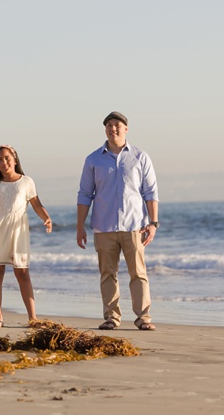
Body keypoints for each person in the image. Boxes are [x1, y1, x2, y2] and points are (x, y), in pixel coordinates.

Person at [76, 111, 159, 331]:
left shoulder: (140, 157)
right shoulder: (93, 159)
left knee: (138, 273)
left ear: (126, 129)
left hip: (135, 226)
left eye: (117, 125)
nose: (113, 128)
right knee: (107, 274)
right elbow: (85, 194)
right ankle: (111, 317)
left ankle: (143, 318)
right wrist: (80, 227)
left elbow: (150, 192)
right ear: (105, 129)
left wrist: (154, 223)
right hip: (104, 227)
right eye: (109, 125)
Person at [0, 145, 52, 328]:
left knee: (22, 273)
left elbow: (36, 204)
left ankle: (33, 318)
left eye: (7, 158)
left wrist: (46, 218)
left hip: (18, 233)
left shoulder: (26, 182)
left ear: (15, 159)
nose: (4, 162)